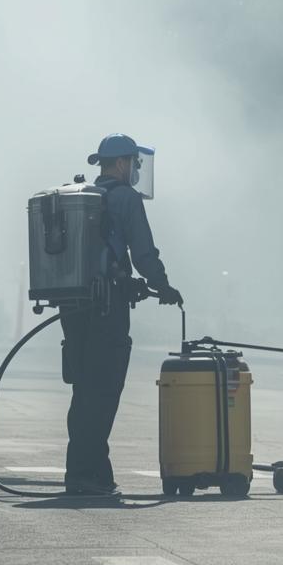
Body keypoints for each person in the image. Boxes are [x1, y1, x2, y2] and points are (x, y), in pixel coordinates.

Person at [59, 133, 182, 497]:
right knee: (103, 391)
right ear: (120, 163)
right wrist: (163, 285)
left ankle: (92, 474)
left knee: (84, 390)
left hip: (74, 308)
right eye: (133, 163)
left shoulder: (84, 198)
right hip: (106, 308)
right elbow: (143, 252)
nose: (135, 169)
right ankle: (85, 475)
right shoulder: (125, 198)